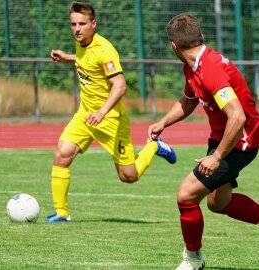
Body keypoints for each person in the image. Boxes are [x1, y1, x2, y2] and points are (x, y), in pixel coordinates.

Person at [148, 14, 259, 270]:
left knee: (185, 196)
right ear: (200, 37)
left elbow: (237, 118)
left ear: (174, 45)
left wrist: (216, 157)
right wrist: (164, 122)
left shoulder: (211, 69)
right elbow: (189, 99)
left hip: (241, 140)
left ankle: (194, 260)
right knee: (219, 203)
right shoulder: (193, 66)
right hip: (223, 137)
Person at [46, 1, 176, 223]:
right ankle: (61, 213)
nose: (77, 29)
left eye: (82, 24)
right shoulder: (82, 44)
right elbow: (87, 62)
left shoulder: (104, 49)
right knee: (62, 154)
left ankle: (154, 146)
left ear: (93, 24)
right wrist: (68, 57)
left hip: (110, 120)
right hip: (85, 116)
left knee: (128, 176)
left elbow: (120, 85)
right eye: (73, 24)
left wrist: (102, 112)